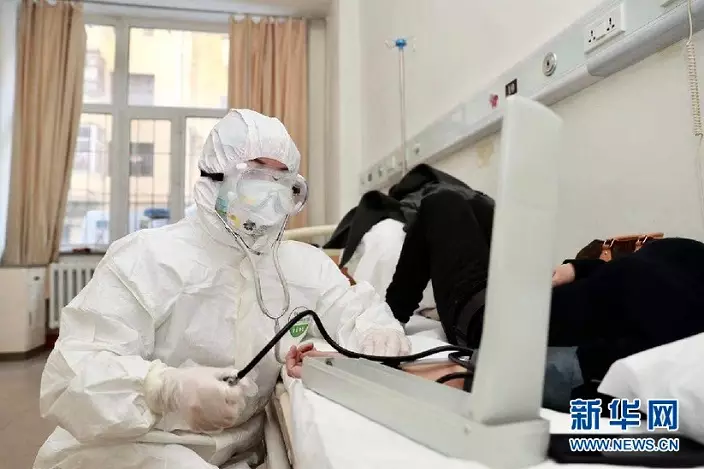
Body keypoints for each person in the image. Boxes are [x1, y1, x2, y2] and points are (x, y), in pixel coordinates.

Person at [34, 109, 410, 469]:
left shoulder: (301, 265)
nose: (271, 191)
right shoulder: (146, 257)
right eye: (256, 173)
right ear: (214, 177)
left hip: (241, 452)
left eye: (283, 179)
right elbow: (69, 377)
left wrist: (377, 332)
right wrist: (163, 389)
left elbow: (354, 310)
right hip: (138, 447)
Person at [384, 189, 704, 410]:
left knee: (441, 203)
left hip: (500, 322)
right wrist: (577, 269)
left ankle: (386, 318)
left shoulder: (688, 326)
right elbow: (639, 270)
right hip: (534, 293)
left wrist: (484, 372)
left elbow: (619, 368)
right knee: (481, 207)